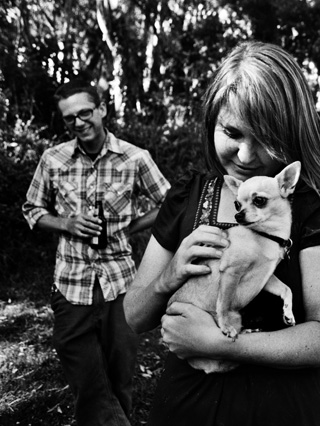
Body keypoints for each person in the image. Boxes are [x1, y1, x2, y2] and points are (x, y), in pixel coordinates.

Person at [123, 41, 320, 426]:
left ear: (291, 131)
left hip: (280, 410)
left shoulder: (314, 201)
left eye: (264, 137)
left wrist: (219, 344)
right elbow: (133, 316)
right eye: (232, 131)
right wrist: (168, 277)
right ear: (211, 120)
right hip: (186, 406)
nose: (246, 155)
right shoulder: (188, 194)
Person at [22, 79, 171, 426]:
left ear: (102, 109)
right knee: (86, 377)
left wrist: (131, 226)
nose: (78, 122)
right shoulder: (53, 159)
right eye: (69, 118)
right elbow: (32, 209)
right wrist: (67, 223)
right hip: (71, 283)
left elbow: (169, 203)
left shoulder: (135, 157)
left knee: (119, 378)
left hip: (120, 284)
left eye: (85, 112)